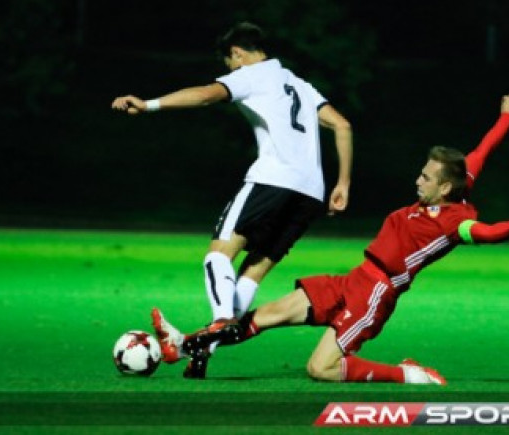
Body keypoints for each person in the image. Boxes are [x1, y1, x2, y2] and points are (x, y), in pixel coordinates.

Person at [153, 96, 509, 383]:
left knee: (320, 368)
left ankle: (407, 374)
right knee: (266, 315)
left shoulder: (456, 221)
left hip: (375, 294)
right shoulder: (456, 182)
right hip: (355, 278)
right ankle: (184, 344)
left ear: (446, 188)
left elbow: (484, 233)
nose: (417, 180)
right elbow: (484, 149)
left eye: (426, 178)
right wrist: (507, 116)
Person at [111, 22, 353, 374]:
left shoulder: (252, 74)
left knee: (218, 255)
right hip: (310, 194)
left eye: (229, 64)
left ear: (237, 53)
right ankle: (196, 348)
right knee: (251, 275)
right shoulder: (298, 84)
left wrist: (148, 105)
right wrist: (342, 183)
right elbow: (343, 125)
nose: (230, 71)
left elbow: (205, 95)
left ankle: (220, 322)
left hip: (272, 180)